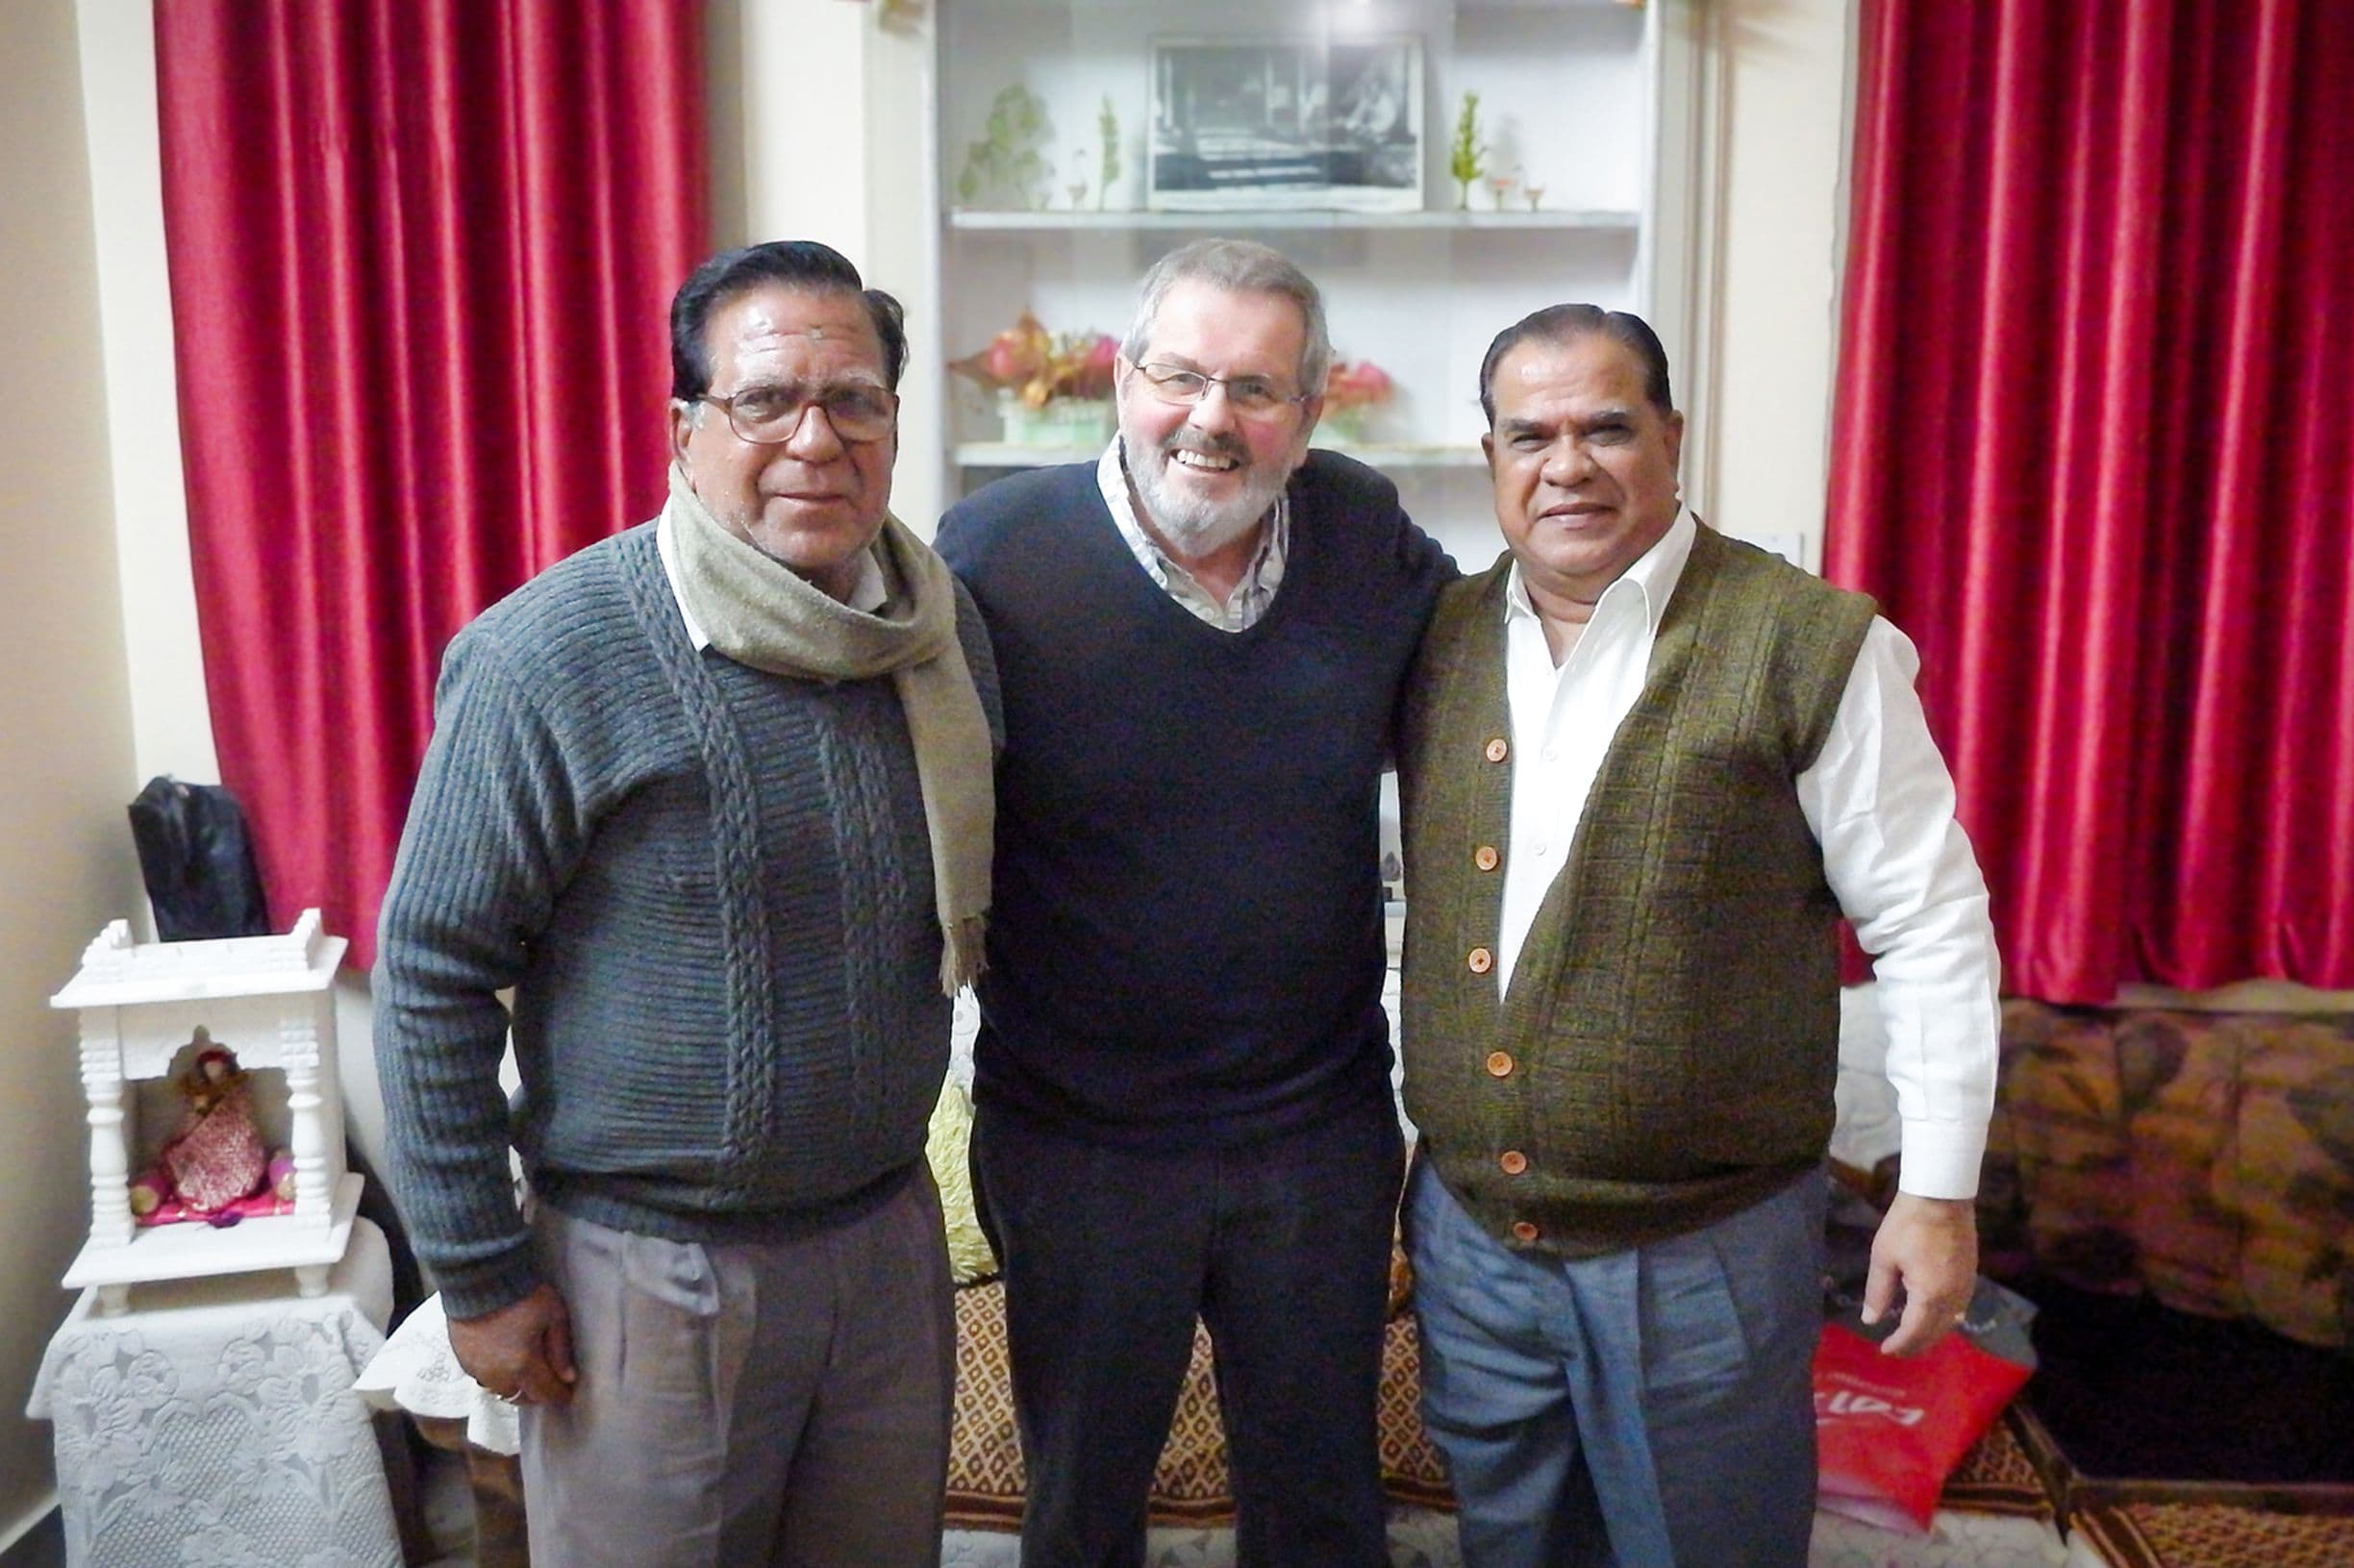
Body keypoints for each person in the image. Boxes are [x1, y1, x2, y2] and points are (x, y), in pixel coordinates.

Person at [374, 239, 999, 1568]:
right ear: (683, 430)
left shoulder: (940, 642)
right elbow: (430, 968)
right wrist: (479, 1276)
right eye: (765, 399)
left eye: (858, 400)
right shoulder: (554, 654)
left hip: (888, 1248)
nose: (814, 439)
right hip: (646, 1277)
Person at [1396, 305, 2000, 1568]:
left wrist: (1937, 1196)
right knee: (1512, 1546)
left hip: (1703, 1258)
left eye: (1607, 428)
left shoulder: (1807, 643)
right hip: (1473, 1244)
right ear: (1491, 459)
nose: (1568, 464)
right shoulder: (1438, 640)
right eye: (1531, 435)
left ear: (1672, 436)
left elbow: (1933, 925)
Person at [935, 237, 1452, 1567]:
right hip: (1079, 1148)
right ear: (1122, 378)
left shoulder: (1364, 538)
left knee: (1326, 1512)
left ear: (1311, 413)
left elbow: (1509, 715)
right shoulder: (990, 558)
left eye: (1256, 388)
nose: (1211, 419)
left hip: (1316, 1134)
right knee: (1083, 1511)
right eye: (1180, 375)